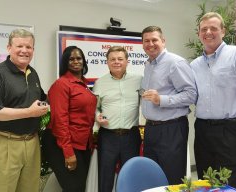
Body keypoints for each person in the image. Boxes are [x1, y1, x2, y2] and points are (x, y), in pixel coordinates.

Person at [190, 12, 236, 191]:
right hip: (202, 131)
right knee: (206, 182)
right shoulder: (194, 65)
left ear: (223, 31)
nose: (208, 32)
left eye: (214, 28)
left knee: (228, 184)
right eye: (204, 29)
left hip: (231, 132)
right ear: (199, 34)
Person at [0, 29, 49, 192]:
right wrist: (29, 112)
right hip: (5, 143)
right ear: (9, 48)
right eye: (19, 46)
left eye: (29, 47)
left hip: (31, 143)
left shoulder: (33, 73)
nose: (24, 50)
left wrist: (45, 106)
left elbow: (42, 98)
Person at [140, 26, 197, 185]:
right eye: (146, 41)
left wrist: (162, 100)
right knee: (153, 176)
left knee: (172, 178)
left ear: (163, 41)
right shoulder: (149, 65)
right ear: (142, 44)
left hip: (171, 129)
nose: (150, 44)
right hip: (151, 129)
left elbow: (191, 95)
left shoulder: (175, 62)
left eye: (154, 40)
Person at [41, 46, 97, 192]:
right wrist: (68, 152)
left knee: (79, 186)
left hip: (81, 143)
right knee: (74, 187)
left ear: (84, 61)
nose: (76, 61)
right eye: (71, 59)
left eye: (79, 58)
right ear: (65, 62)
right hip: (62, 143)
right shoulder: (61, 84)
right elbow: (60, 119)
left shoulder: (84, 84)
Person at [93, 46, 142, 192]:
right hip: (108, 136)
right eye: (112, 59)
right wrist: (97, 116)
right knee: (105, 176)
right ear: (107, 62)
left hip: (131, 136)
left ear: (127, 61)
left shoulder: (139, 80)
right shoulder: (99, 83)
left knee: (131, 176)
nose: (116, 62)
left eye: (120, 59)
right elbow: (94, 107)